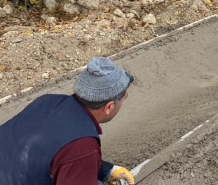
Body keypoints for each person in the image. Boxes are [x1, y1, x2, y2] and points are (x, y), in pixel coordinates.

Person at [0, 57, 135, 185]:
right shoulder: (82, 144)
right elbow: (75, 152)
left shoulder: (47, 101)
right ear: (109, 107)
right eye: (125, 98)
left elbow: (46, 151)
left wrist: (106, 170)